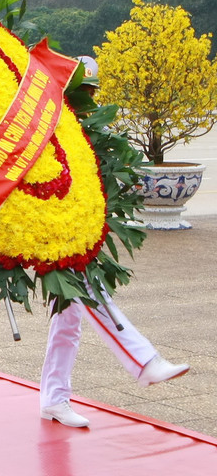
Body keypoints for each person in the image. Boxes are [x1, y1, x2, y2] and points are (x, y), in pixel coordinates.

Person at [40, 55, 190, 428]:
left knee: (69, 318)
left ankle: (54, 398)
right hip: (54, 234)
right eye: (82, 94)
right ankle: (144, 362)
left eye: (92, 93)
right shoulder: (49, 129)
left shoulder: (93, 133)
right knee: (91, 294)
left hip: (82, 230)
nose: (88, 101)